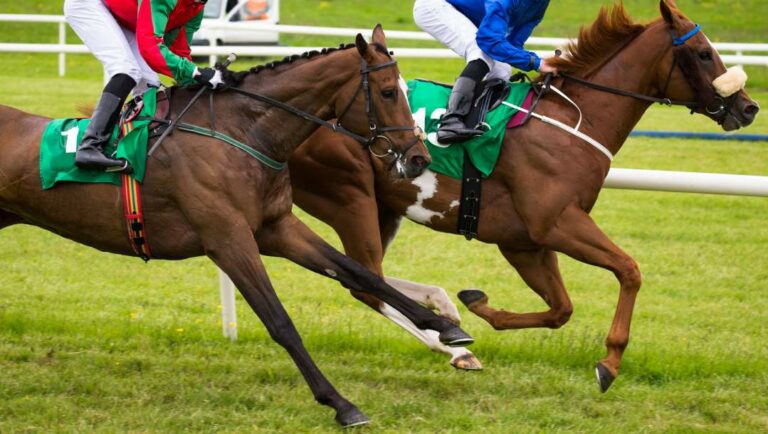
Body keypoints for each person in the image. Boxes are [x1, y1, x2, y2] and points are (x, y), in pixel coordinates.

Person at [63, 0, 224, 171]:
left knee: (149, 85)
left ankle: (131, 146)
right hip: (88, 5)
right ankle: (89, 147)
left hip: (122, 17)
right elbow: (151, 48)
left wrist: (201, 81)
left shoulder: (195, 7)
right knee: (126, 70)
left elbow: (178, 52)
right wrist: (196, 73)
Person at [413, 0, 558, 144]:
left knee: (502, 69)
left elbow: (512, 46)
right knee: (480, 52)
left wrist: (545, 63)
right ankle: (450, 121)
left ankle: (477, 124)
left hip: (461, 14)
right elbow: (488, 41)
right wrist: (536, 63)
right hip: (434, 7)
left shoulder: (539, 5)